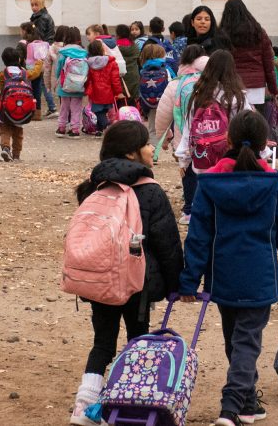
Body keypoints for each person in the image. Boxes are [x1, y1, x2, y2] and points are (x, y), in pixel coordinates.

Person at [179, 111, 278, 426]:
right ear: (265, 145)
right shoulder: (274, 184)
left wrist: (190, 281)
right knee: (246, 341)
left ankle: (248, 404)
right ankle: (231, 408)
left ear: (228, 140)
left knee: (236, 339)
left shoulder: (210, 184)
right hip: (259, 277)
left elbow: (198, 237)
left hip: (222, 276)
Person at [69, 121, 185, 426]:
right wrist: (176, 285)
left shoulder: (95, 186)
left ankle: (83, 406)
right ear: (132, 154)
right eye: (146, 144)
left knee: (102, 343)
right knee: (138, 341)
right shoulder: (150, 191)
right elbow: (168, 245)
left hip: (100, 280)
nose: (151, 148)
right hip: (139, 284)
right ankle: (128, 402)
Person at [174, 50, 253, 176]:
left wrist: (183, 159)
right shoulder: (237, 98)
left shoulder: (198, 97)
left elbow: (189, 128)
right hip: (230, 159)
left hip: (203, 159)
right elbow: (249, 127)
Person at [153, 45, 208, 224]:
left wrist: (164, 137)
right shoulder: (212, 81)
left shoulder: (176, 84)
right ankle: (208, 208)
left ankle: (190, 210)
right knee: (209, 171)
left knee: (188, 174)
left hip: (183, 140)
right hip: (210, 137)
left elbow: (163, 114)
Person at [219, 0, 277, 113]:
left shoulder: (222, 34)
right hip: (257, 85)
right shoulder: (259, 32)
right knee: (255, 123)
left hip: (232, 84)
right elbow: (269, 64)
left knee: (235, 122)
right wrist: (273, 88)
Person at [0, 46, 32, 162]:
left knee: (5, 130)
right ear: (19, 59)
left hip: (6, 108)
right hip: (21, 108)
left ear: (3, 60)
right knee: (18, 132)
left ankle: (6, 148)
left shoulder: (3, 74)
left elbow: (2, 88)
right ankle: (16, 155)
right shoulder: (25, 73)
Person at [55, 26, 88, 138]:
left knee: (64, 106)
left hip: (65, 85)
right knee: (76, 108)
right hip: (79, 85)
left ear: (66, 38)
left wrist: (57, 77)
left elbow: (59, 67)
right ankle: (75, 130)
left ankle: (61, 128)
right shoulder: (84, 52)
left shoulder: (64, 51)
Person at [85, 40, 124, 137]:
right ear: (102, 50)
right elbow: (115, 80)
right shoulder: (111, 62)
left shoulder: (89, 63)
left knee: (98, 112)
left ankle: (107, 126)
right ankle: (100, 129)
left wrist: (86, 88)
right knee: (104, 111)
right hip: (108, 92)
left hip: (95, 92)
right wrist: (118, 92)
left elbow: (87, 78)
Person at [20, 22, 56, 119]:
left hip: (32, 70)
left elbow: (27, 59)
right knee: (38, 91)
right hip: (42, 69)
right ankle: (37, 113)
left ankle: (29, 111)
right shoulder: (44, 43)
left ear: (25, 32)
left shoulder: (28, 44)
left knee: (29, 90)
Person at [43, 25, 69, 119]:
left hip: (59, 81)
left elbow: (47, 69)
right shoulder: (74, 49)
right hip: (74, 80)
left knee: (63, 101)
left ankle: (64, 122)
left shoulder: (52, 49)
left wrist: (48, 85)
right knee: (74, 103)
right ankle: (73, 125)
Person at [114, 24, 141, 100]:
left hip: (120, 80)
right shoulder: (134, 45)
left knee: (122, 104)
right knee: (133, 102)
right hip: (134, 77)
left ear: (118, 34)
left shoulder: (114, 47)